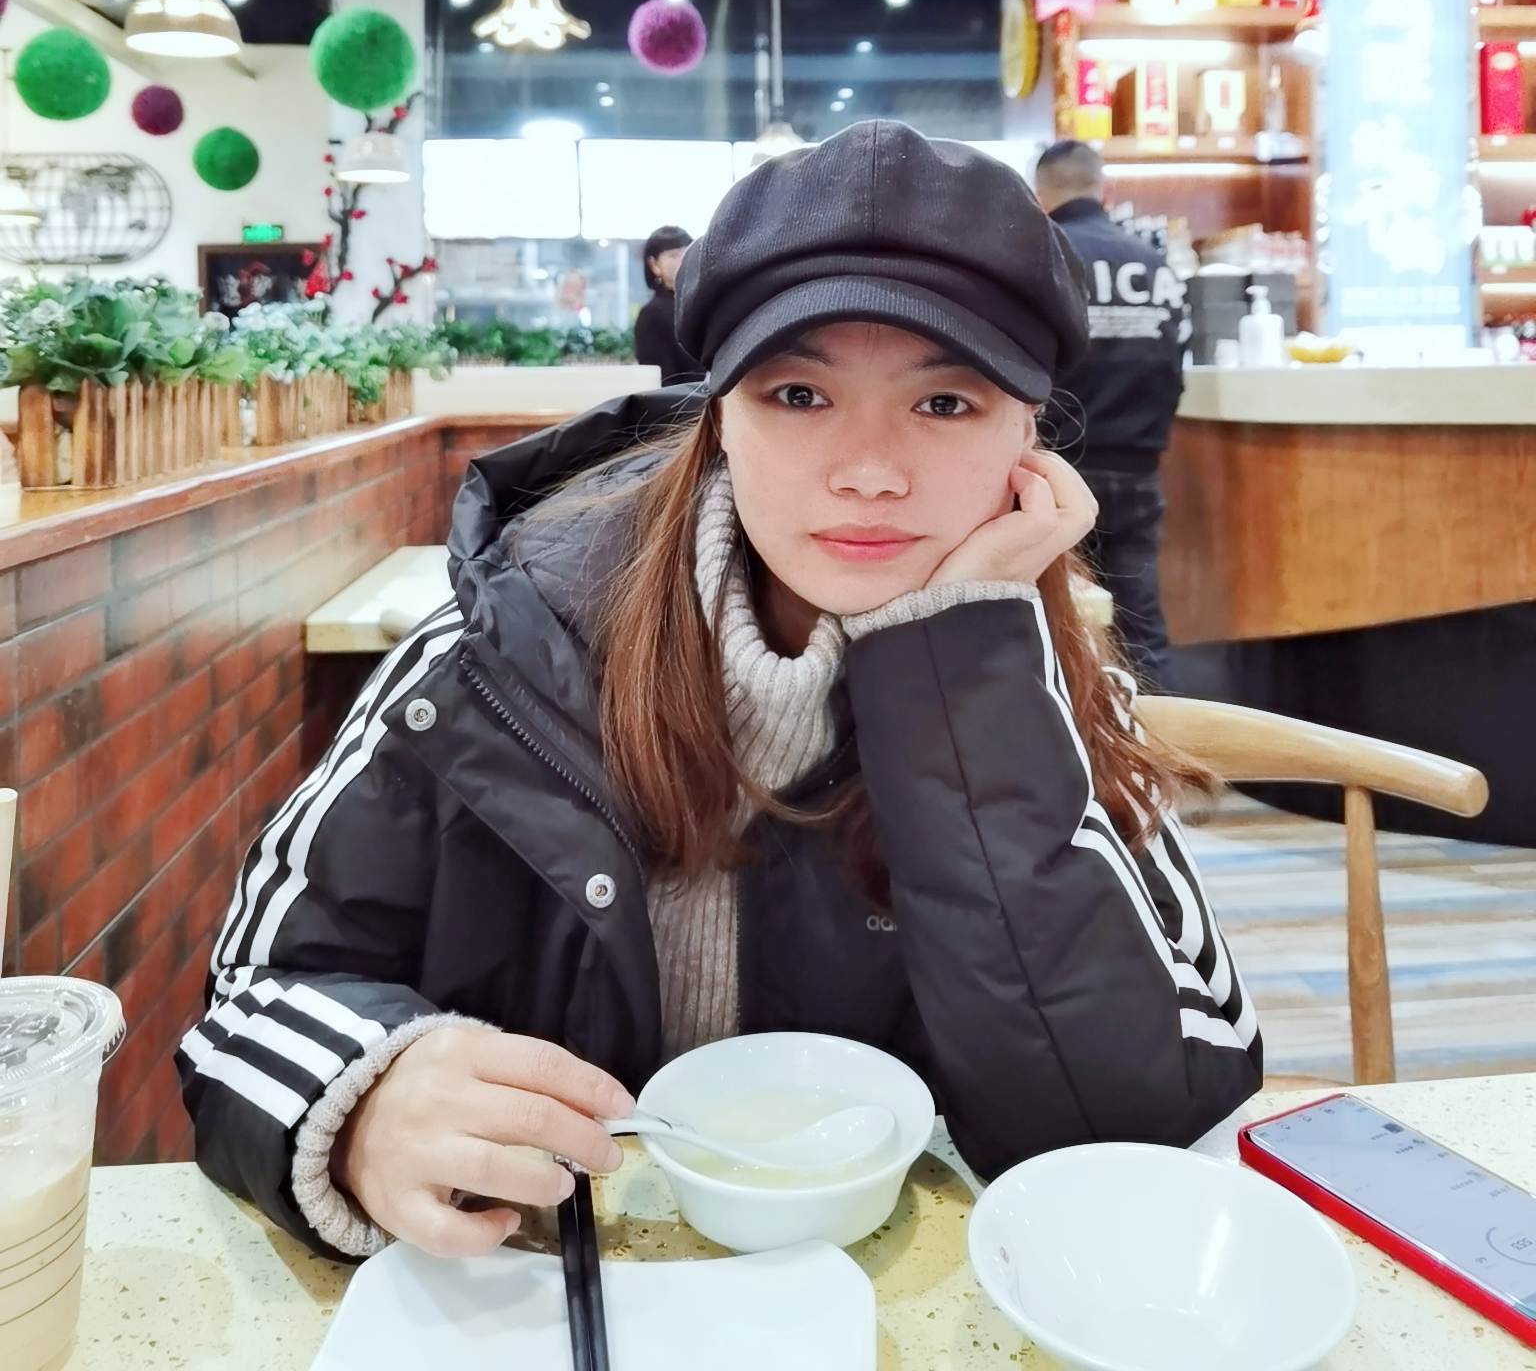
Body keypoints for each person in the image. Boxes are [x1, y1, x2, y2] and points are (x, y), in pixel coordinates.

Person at [178, 121, 1259, 1262]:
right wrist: (365, 1096)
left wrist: (956, 670)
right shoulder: (496, 656)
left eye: (946, 404)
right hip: (533, 1278)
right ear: (720, 415)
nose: (870, 471)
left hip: (873, 1284)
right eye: (798, 393)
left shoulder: (1039, 686)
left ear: (1028, 437)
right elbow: (253, 994)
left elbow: (1146, 1109)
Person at [1032, 140, 1187, 685]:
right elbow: (1176, 365)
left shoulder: (1045, 258)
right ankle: (1156, 729)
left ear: (1040, 195)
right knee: (1141, 622)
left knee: (1059, 617)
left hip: (1057, 468)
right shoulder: (1155, 265)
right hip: (1138, 468)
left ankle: (1076, 729)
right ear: (1105, 189)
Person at [632, 223, 704, 383]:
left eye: (687, 252)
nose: (682, 260)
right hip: (684, 397)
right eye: (673, 255)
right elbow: (662, 379)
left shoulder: (700, 303)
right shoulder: (651, 315)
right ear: (654, 265)